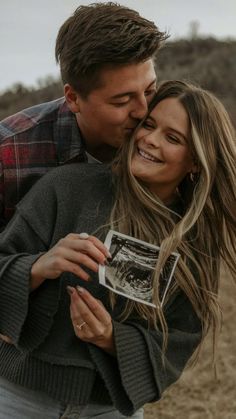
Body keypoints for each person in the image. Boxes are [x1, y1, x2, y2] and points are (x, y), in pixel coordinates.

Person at [0, 79, 235, 418]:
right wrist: (38, 267)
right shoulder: (66, 188)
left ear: (195, 162)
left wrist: (111, 337)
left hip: (109, 409)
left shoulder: (193, 241)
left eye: (172, 138)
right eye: (149, 125)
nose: (150, 140)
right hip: (17, 398)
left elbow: (177, 342)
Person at [0, 2, 167, 230]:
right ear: (73, 98)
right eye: (122, 100)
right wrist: (34, 264)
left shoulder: (176, 143)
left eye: (149, 91)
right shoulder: (8, 154)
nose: (143, 111)